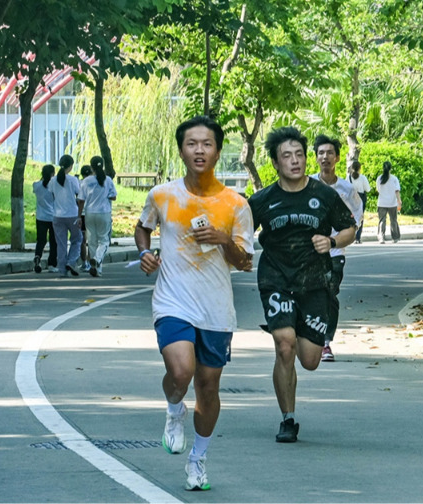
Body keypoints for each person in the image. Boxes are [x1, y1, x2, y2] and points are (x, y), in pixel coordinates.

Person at [135, 115, 254, 491]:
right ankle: (174, 408)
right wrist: (145, 253)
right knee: (182, 371)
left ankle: (198, 458)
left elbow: (245, 261)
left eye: (206, 144)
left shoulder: (235, 204)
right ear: (182, 149)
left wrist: (223, 239)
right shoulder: (163, 195)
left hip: (216, 311)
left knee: (207, 388)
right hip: (173, 301)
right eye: (192, 143)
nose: (199, 150)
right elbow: (143, 227)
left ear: (218, 150)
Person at [248, 126, 356, 443]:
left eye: (299, 155)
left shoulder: (323, 195)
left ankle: (294, 326)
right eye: (287, 156)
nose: (294, 161)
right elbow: (240, 236)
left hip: (314, 282)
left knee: (309, 360)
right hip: (276, 278)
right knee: (284, 346)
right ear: (276, 162)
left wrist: (333, 240)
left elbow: (350, 228)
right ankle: (288, 419)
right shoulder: (263, 200)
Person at [310, 135, 363, 362]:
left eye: (329, 153)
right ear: (316, 157)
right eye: (321, 153)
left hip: (335, 253)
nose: (325, 157)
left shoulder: (347, 189)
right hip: (308, 253)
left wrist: (337, 240)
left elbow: (355, 222)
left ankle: (325, 343)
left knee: (329, 294)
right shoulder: (306, 185)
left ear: (338, 158)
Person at [79, 156, 117, 277]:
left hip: (89, 213)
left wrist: (79, 216)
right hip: (104, 212)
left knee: (92, 241)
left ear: (91, 167)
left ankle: (97, 268)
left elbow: (81, 200)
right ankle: (98, 258)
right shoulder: (108, 180)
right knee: (104, 240)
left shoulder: (86, 181)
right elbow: (113, 196)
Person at [49, 155, 84, 277]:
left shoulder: (53, 180)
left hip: (57, 215)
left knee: (61, 243)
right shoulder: (73, 180)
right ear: (70, 166)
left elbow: (51, 194)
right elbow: (79, 196)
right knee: (77, 239)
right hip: (72, 215)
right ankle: (71, 261)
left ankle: (62, 270)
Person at [32, 164, 58, 273]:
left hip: (41, 217)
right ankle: (52, 264)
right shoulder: (54, 187)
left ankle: (38, 256)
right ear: (53, 174)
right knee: (53, 241)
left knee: (41, 240)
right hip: (53, 217)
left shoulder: (36, 185)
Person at [375, 161, 401, 244]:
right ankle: (395, 237)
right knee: (393, 220)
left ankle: (381, 238)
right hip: (392, 202)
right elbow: (397, 191)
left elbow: (378, 190)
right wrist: (399, 200)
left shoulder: (379, 178)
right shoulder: (394, 178)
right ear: (390, 168)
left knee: (382, 220)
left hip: (382, 202)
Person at [346, 160, 370, 244]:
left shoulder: (348, 177)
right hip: (361, 198)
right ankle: (358, 237)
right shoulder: (363, 178)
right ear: (360, 168)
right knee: (360, 218)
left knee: (352, 217)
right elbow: (367, 189)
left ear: (352, 168)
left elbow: (346, 189)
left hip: (351, 198)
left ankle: (351, 236)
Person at [79, 164, 92, 271]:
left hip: (82, 214)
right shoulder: (95, 183)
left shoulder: (79, 183)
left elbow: (79, 200)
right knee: (92, 240)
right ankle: (91, 261)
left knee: (82, 240)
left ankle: (84, 262)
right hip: (92, 213)